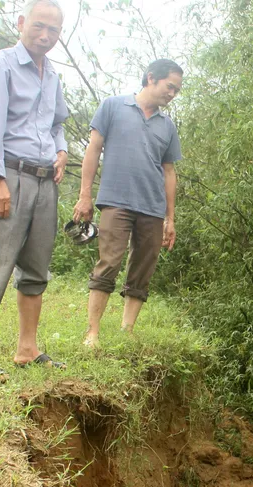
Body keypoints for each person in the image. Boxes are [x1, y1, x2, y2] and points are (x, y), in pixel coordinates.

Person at [0, 0, 69, 380]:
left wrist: (62, 150)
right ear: (21, 23)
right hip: (8, 175)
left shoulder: (52, 73)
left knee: (37, 265)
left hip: (45, 180)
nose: (45, 36)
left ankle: (28, 348)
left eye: (53, 30)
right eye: (38, 26)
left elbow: (57, 123)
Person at [72, 59, 184, 347]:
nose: (172, 94)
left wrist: (170, 218)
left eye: (177, 90)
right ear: (151, 78)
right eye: (170, 87)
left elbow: (169, 172)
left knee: (143, 268)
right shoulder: (113, 106)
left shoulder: (167, 126)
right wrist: (85, 195)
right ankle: (92, 332)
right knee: (108, 262)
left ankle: (127, 331)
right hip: (116, 201)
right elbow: (93, 149)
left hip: (152, 207)